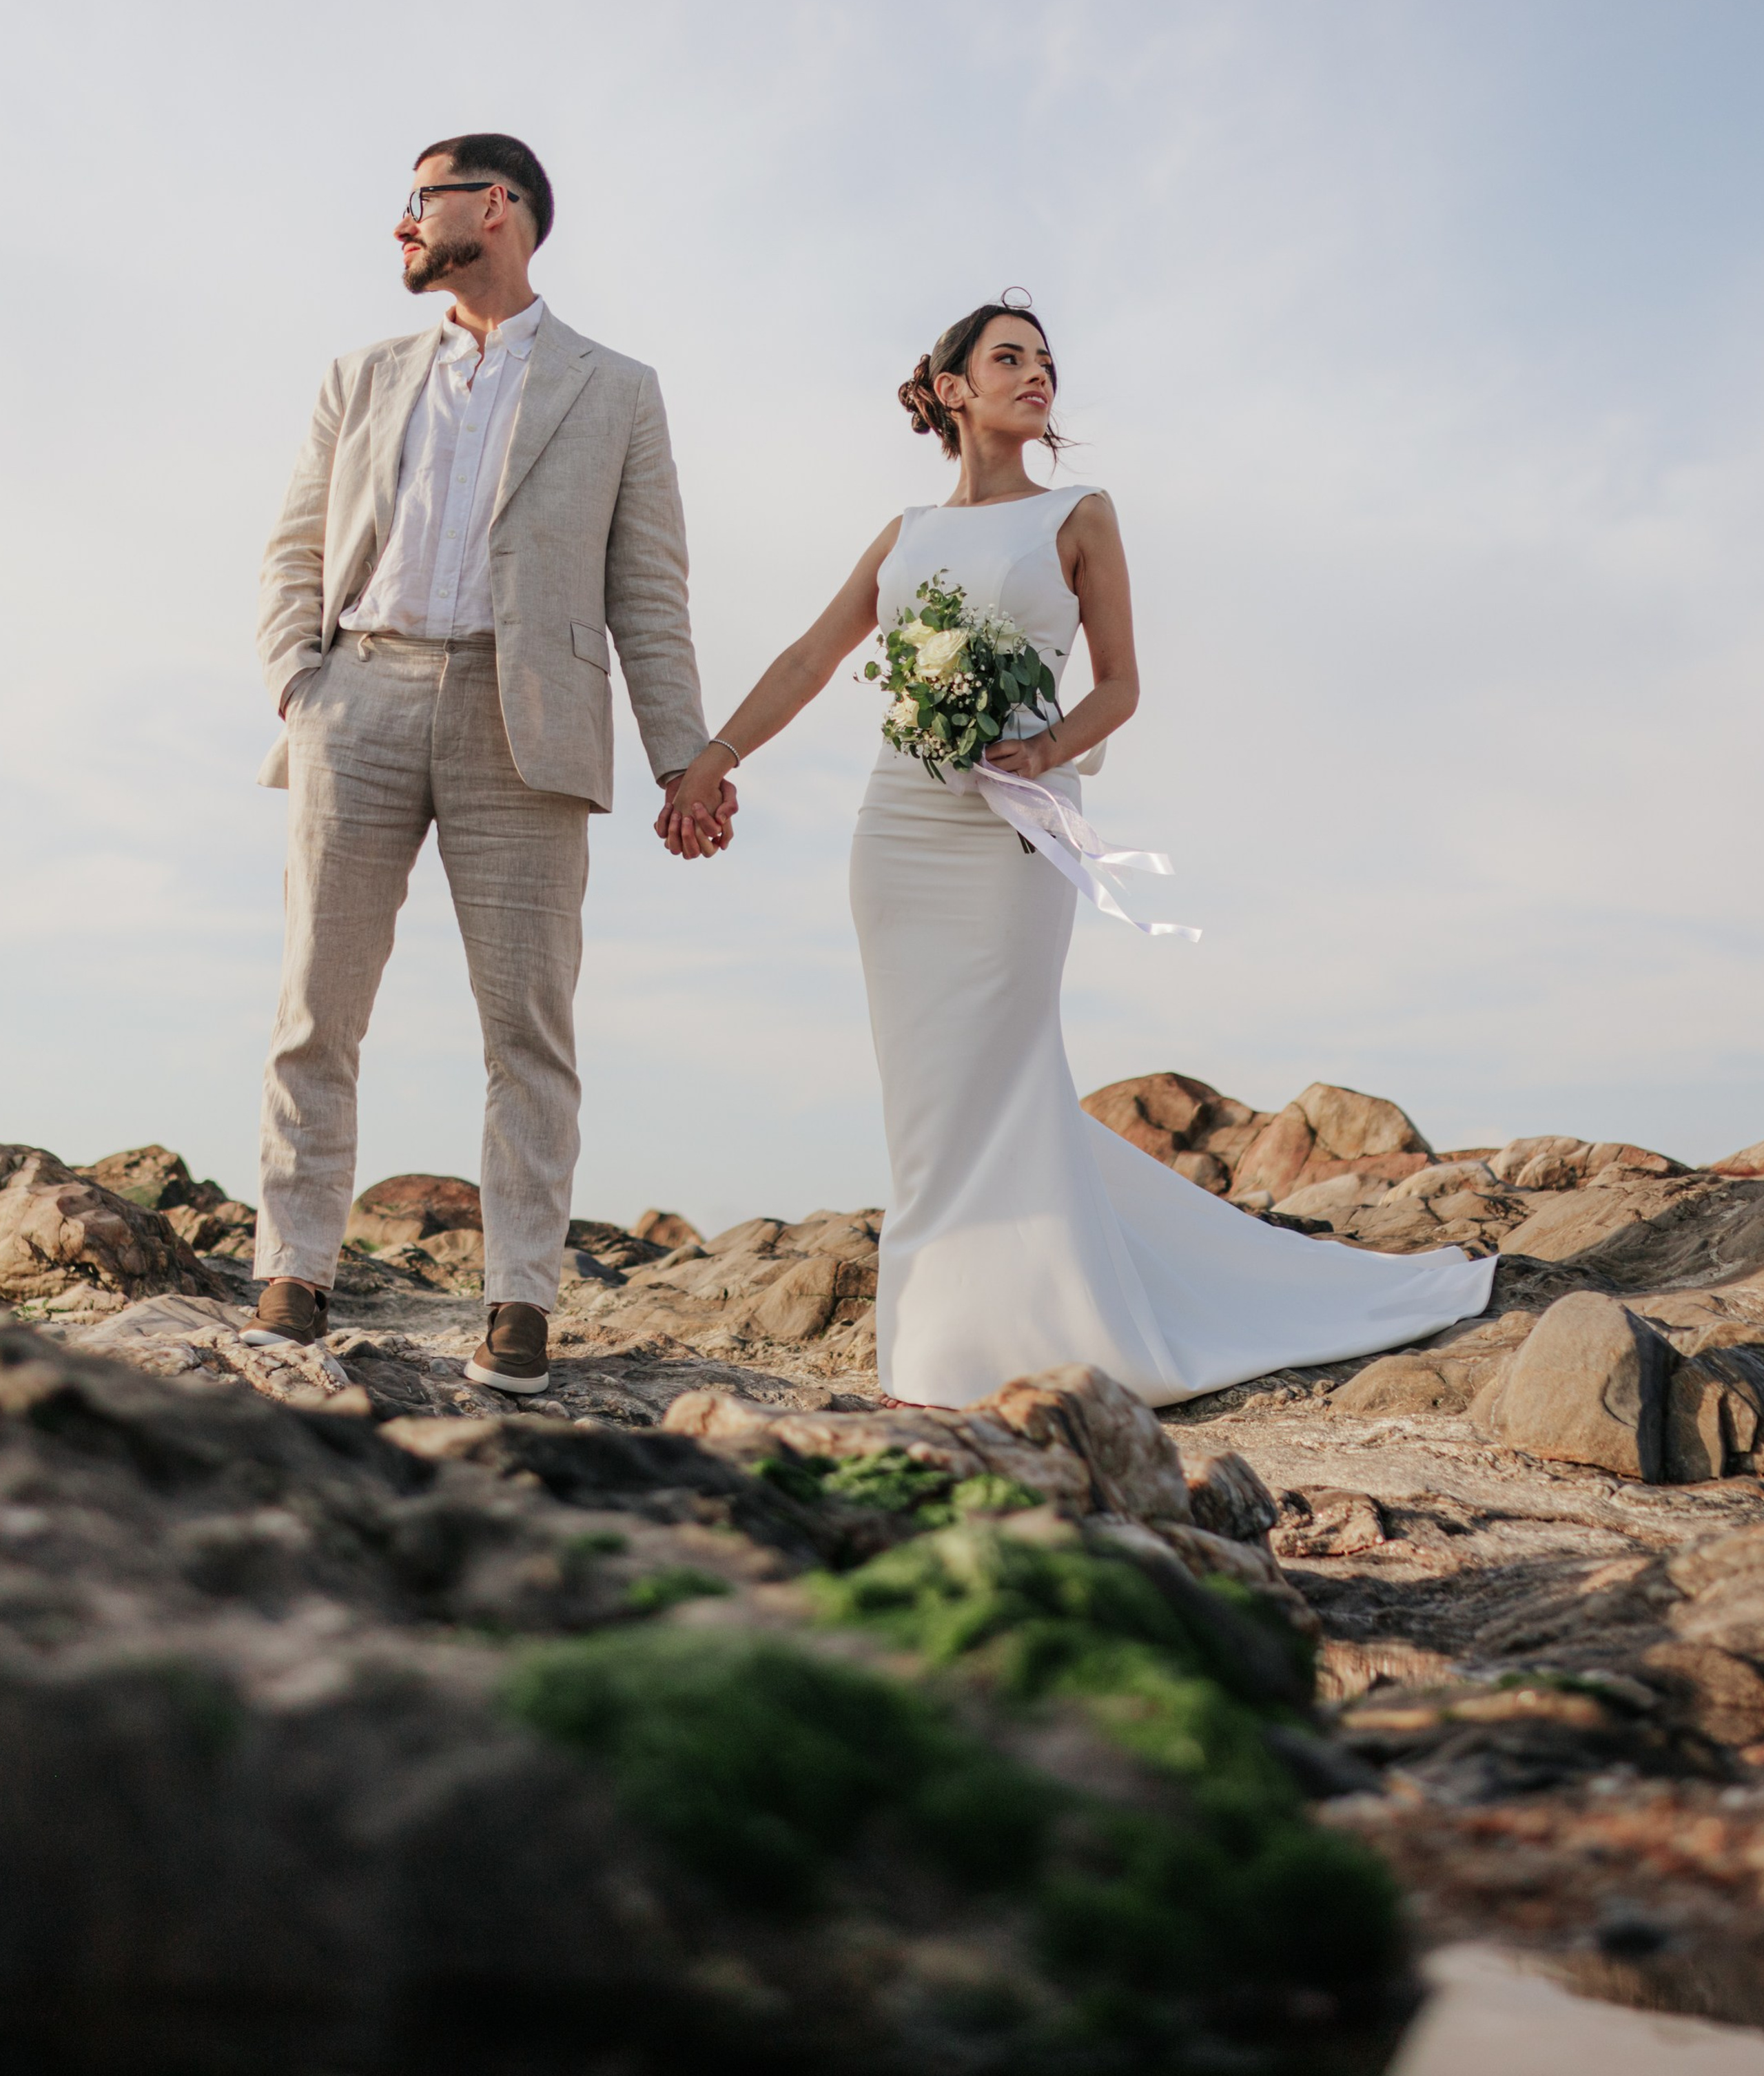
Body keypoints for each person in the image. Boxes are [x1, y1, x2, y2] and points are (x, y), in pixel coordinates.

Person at [659, 295, 1495, 1407]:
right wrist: (715, 757)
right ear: (953, 390)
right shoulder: (905, 533)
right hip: (899, 831)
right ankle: (946, 1343)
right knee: (925, 1095)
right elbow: (816, 655)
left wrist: (1042, 746)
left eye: (1047, 361)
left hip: (1010, 832)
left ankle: (995, 1346)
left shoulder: (1080, 514)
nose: (1036, 374)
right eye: (1009, 358)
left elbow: (1122, 685)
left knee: (995, 1073)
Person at [247, 133, 732, 1396]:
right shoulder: (360, 374)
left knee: (528, 1026)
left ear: (498, 208)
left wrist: (685, 754)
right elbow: (294, 548)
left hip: (527, 723)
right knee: (317, 1002)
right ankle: (293, 1267)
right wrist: (303, 688)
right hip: (360, 693)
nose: (403, 225)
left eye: (423, 201)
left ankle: (519, 1296)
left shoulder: (616, 389)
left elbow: (650, 592)